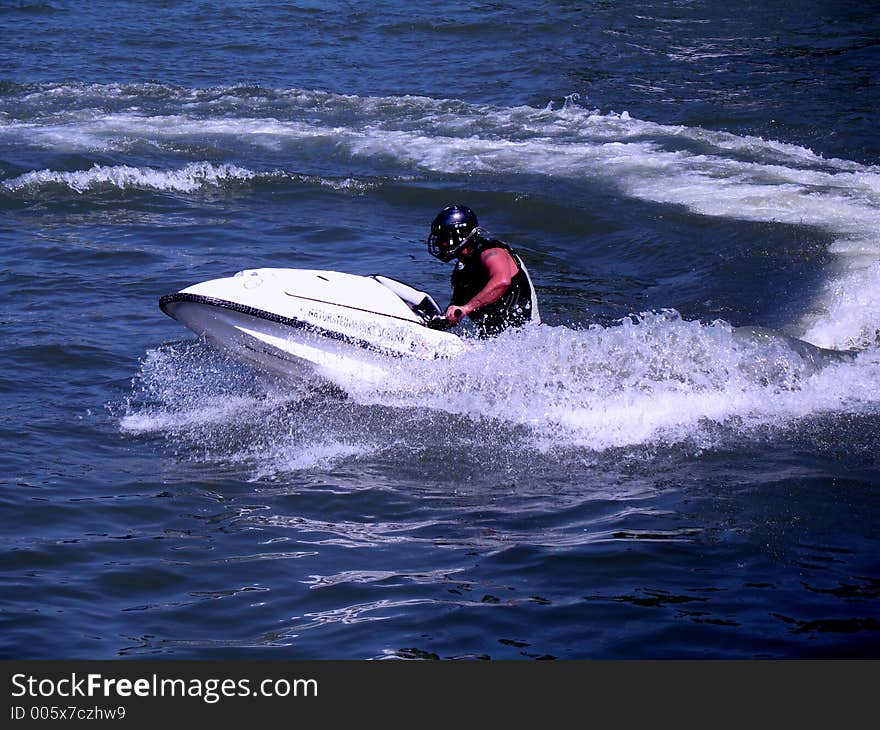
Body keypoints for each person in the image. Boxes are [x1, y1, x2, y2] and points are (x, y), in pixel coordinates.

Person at [426, 204, 540, 336]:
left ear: (460, 235)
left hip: (524, 336)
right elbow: (455, 312)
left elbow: (502, 281)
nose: (438, 243)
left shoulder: (492, 252)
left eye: (443, 238)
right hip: (495, 342)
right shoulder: (461, 271)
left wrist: (467, 308)